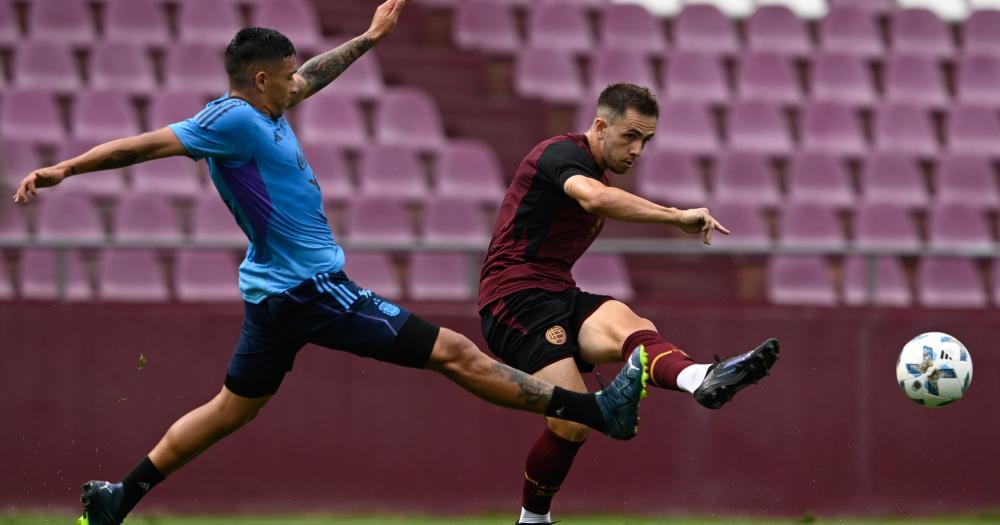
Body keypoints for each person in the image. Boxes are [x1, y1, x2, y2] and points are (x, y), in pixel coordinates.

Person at [11, 3, 649, 524]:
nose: (298, 83)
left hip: (270, 295)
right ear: (261, 79)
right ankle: (596, 413)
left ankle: (121, 496)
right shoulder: (230, 119)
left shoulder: (267, 107)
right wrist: (67, 167)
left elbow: (316, 72)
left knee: (232, 408)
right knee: (455, 352)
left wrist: (369, 38)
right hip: (311, 289)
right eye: (286, 75)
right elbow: (143, 146)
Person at [477, 83, 781, 525]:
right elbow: (595, 199)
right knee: (571, 422)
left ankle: (701, 377)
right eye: (630, 136)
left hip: (557, 292)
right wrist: (676, 216)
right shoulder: (560, 154)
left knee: (633, 324)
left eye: (647, 141)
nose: (638, 149)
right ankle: (532, 521)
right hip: (513, 298)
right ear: (601, 126)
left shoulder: (596, 172)